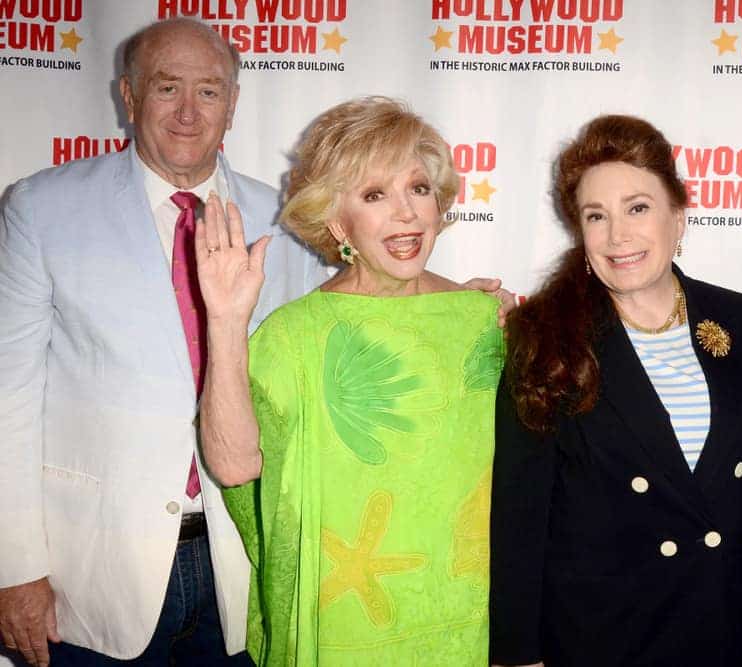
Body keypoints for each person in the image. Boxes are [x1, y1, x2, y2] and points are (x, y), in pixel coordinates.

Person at [0, 18, 507, 667]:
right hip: (97, 569)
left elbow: (365, 297)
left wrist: (455, 301)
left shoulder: (281, 218)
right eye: (166, 88)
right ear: (128, 97)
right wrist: (17, 567)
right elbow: (10, 396)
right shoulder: (44, 209)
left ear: (233, 103)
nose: (188, 111)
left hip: (241, 559)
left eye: (209, 91)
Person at [197, 97, 505, 666]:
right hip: (343, 626)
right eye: (373, 195)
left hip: (475, 616)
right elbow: (236, 466)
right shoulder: (295, 334)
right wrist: (225, 321)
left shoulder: (486, 320)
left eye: (417, 188)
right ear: (338, 223)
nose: (407, 214)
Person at [489, 115, 742, 666]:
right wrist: (518, 655)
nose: (618, 236)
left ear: (678, 217)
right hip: (602, 635)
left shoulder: (736, 317)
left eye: (637, 208)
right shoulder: (542, 333)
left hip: (718, 626)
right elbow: (520, 514)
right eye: (597, 216)